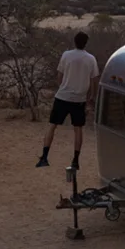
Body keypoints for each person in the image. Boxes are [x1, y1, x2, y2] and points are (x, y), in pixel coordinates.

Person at [36, 31, 99, 169]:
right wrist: (91, 96)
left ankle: (44, 157)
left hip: (63, 97)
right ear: (86, 43)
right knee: (78, 129)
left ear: (74, 41)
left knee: (52, 125)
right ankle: (75, 160)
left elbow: (60, 75)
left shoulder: (66, 55)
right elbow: (94, 80)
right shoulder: (91, 59)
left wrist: (62, 87)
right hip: (79, 99)